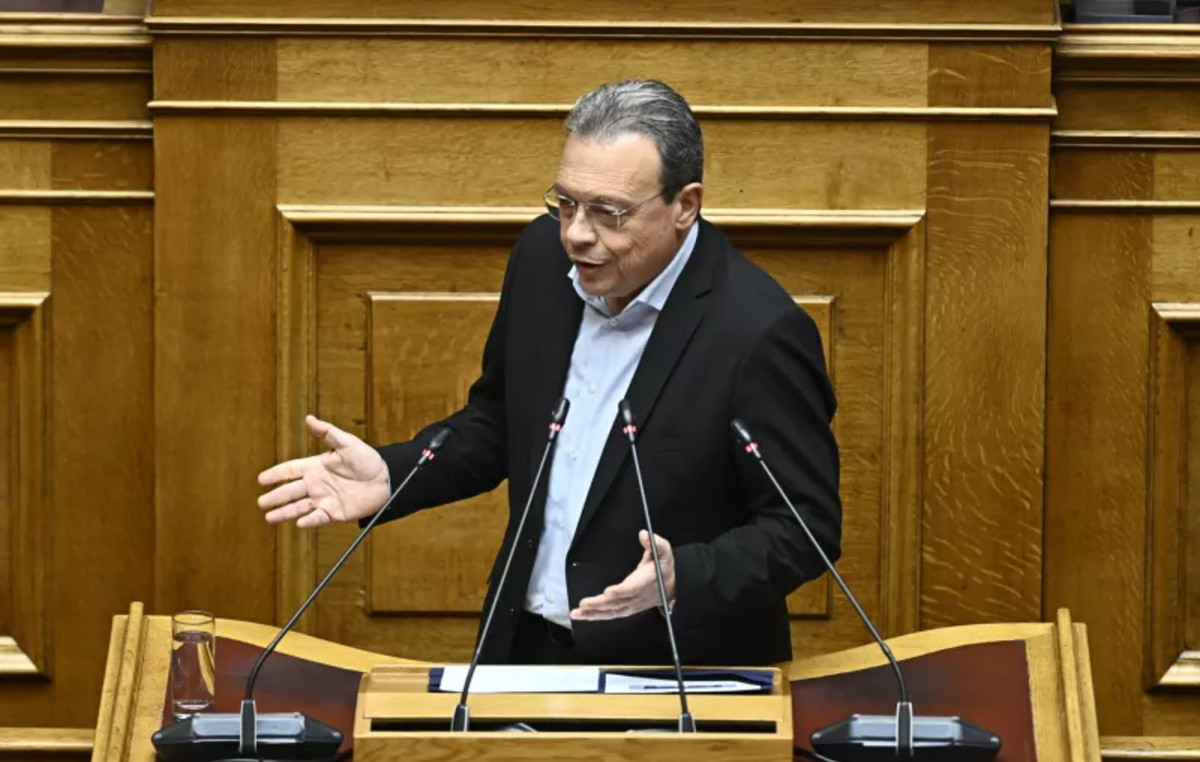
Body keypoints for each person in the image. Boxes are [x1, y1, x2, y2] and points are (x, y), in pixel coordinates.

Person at [257, 80, 841, 666]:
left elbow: (805, 526)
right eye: (566, 203)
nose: (577, 233)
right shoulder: (543, 259)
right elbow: (499, 423)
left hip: (673, 668)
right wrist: (394, 473)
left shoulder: (758, 330)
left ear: (684, 206)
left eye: (609, 212)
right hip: (525, 650)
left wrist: (683, 576)